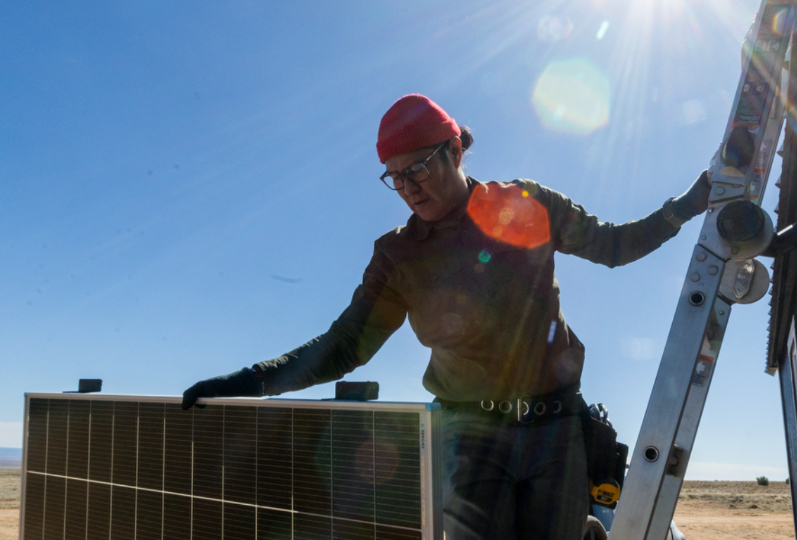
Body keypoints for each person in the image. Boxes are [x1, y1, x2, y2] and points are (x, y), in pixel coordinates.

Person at [182, 94, 710, 540]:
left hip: (555, 426)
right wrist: (252, 380)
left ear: (455, 150)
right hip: (470, 432)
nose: (407, 186)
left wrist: (685, 206)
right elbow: (345, 345)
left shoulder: (527, 204)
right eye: (394, 177)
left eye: (417, 168)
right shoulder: (398, 256)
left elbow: (615, 245)